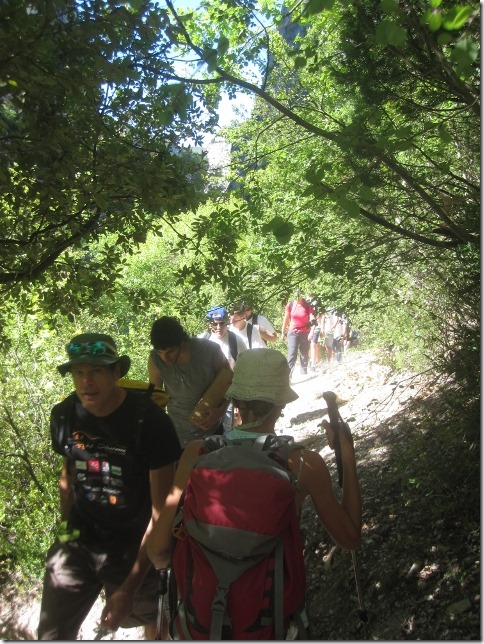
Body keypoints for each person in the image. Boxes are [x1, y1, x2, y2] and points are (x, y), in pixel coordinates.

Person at [146, 347, 361, 578]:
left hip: (203, 607)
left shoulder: (196, 453)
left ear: (235, 401)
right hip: (272, 609)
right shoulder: (302, 464)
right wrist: (347, 455)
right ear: (282, 405)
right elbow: (349, 539)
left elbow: (158, 550)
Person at [38, 333, 182, 640]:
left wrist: (129, 587)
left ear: (116, 372)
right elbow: (68, 476)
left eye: (96, 371)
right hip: (80, 540)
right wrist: (65, 530)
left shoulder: (150, 422)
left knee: (153, 626)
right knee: (51, 632)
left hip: (134, 545)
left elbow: (161, 512)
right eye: (78, 373)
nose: (86, 382)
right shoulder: (64, 415)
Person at [148, 316, 231, 447]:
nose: (165, 357)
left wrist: (221, 411)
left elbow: (229, 380)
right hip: (177, 437)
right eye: (160, 352)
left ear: (182, 342)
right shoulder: (154, 359)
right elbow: (155, 399)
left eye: (170, 351)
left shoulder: (209, 350)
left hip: (212, 434)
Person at [281, 291, 315, 375]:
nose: (297, 296)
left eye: (299, 295)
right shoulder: (290, 305)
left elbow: (313, 319)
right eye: (296, 295)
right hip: (293, 332)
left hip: (305, 332)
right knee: (292, 353)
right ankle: (289, 375)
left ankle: (303, 371)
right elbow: (286, 319)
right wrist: (283, 332)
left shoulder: (307, 306)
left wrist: (312, 331)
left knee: (304, 353)